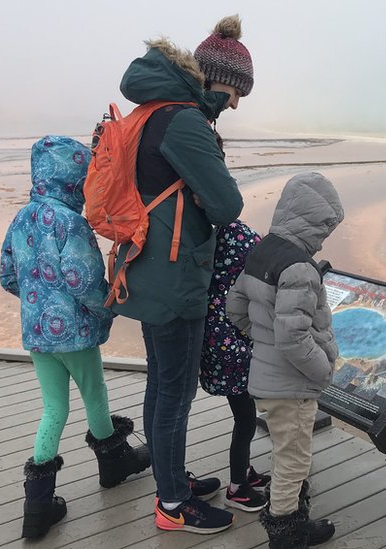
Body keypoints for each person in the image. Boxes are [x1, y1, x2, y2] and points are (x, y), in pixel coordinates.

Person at [109, 14, 251, 535]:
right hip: (175, 278)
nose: (236, 105)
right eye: (236, 92)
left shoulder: (150, 111)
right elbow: (226, 204)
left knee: (161, 385)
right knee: (174, 392)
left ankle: (171, 481)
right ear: (215, 79)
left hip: (144, 267)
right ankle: (173, 504)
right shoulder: (185, 120)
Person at [0, 136, 151, 539]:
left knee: (54, 409)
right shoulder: (70, 222)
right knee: (94, 393)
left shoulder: (22, 218)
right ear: (74, 179)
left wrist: (37, 303)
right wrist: (107, 304)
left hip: (37, 334)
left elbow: (8, 275)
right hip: (74, 333)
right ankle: (114, 462)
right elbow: (81, 277)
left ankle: (37, 506)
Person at [227, 172, 345, 549]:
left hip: (267, 375)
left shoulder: (262, 251)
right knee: (294, 459)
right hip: (292, 384)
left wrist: (259, 339)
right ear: (313, 220)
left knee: (285, 452)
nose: (325, 237)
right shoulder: (299, 268)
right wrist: (322, 370)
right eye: (325, 227)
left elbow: (236, 307)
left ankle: (294, 520)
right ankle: (286, 534)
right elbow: (293, 337)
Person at [199, 220, 272, 513]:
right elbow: (228, 347)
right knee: (245, 423)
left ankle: (245, 471)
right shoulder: (223, 307)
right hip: (235, 374)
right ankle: (237, 487)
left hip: (233, 371)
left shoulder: (216, 294)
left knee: (246, 421)